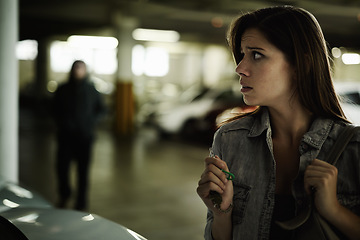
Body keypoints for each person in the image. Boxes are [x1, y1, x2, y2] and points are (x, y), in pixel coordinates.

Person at [196, 5, 360, 240]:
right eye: (242, 54)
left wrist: (333, 210)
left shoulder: (354, 148)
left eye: (257, 54)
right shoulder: (230, 140)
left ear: (300, 64)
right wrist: (221, 212)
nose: (240, 68)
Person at [53, 60, 106, 211]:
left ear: (85, 71)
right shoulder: (62, 89)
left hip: (84, 138)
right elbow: (53, 109)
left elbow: (102, 109)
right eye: (76, 68)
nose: (78, 71)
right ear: (71, 70)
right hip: (65, 138)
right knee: (62, 169)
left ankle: (81, 203)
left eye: (81, 68)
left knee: (83, 172)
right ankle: (65, 194)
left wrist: (91, 122)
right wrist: (62, 122)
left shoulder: (91, 89)